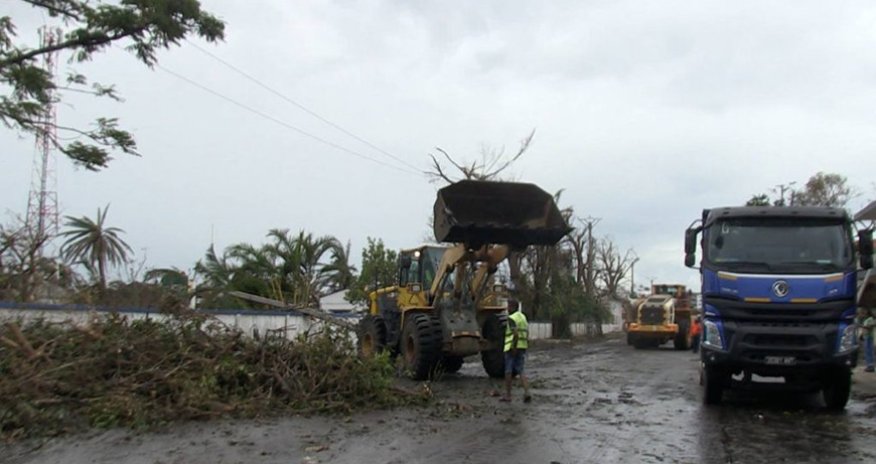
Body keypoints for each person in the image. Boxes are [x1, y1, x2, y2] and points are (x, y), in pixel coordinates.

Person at [501, 299, 531, 403]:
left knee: (508, 371)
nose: (507, 309)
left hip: (512, 348)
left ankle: (508, 395)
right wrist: (525, 345)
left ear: (512, 307)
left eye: (508, 306)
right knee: (521, 370)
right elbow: (527, 332)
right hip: (522, 347)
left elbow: (515, 334)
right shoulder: (523, 317)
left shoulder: (511, 319)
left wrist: (513, 347)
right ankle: (527, 392)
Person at [863, 308, 875, 373]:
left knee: (869, 351)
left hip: (869, 337)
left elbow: (871, 327)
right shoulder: (867, 319)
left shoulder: (870, 319)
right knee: (867, 351)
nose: (864, 314)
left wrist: (862, 326)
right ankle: (869, 365)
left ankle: (870, 366)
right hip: (866, 336)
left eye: (865, 313)